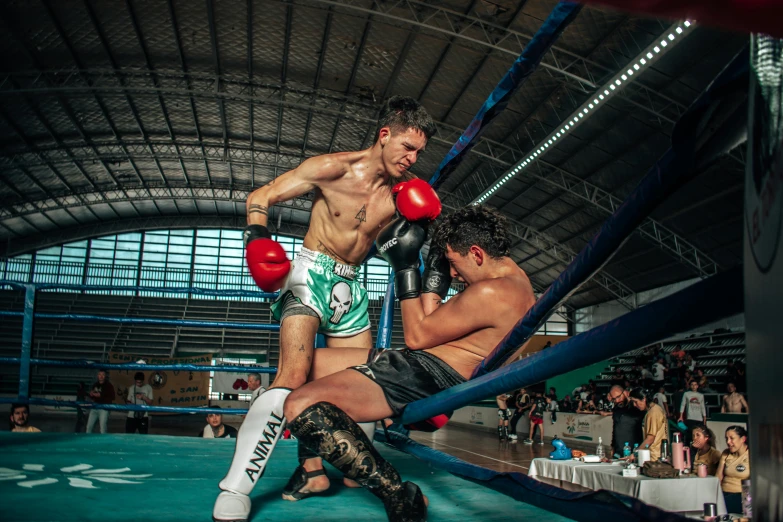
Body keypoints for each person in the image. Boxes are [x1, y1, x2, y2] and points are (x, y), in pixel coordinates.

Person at [212, 96, 440, 521]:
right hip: (309, 277)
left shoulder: (401, 196)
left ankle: (319, 471)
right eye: (407, 147)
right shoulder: (332, 168)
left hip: (353, 287)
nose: (412, 159)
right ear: (384, 135)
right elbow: (260, 196)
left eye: (419, 153)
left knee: (357, 384)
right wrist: (256, 238)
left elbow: (412, 249)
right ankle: (236, 490)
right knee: (293, 376)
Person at [270, 205, 537, 522]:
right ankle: (313, 470)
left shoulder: (492, 291)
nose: (452, 273)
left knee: (298, 405)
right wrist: (435, 283)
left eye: (453, 263)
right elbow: (431, 327)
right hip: (419, 362)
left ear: (477, 254)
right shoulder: (517, 283)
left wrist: (405, 266)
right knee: (305, 363)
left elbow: (417, 335)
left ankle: (398, 494)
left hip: (422, 374)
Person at [716, 426, 750, 514]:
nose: (728, 442)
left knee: (723, 505)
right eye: (726, 438)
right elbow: (718, 477)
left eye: (732, 438)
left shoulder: (751, 455)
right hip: (723, 493)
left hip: (740, 495)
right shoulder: (726, 453)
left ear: (743, 439)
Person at [628, 388, 668, 462]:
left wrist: (635, 454)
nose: (634, 405)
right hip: (656, 453)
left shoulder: (653, 413)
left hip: (654, 456)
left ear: (644, 399)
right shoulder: (655, 409)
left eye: (635, 402)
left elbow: (650, 438)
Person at [606, 385, 644, 458]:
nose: (617, 400)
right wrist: (613, 447)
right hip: (618, 452)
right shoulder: (617, 408)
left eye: (618, 397)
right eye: (614, 399)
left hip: (633, 452)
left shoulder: (636, 408)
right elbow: (615, 429)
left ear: (626, 392)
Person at [679, 379, 707, 445]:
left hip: (699, 418)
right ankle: (690, 450)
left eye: (695, 385)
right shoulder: (686, 394)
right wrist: (681, 416)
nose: (694, 386)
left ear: (697, 386)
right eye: (692, 385)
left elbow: (702, 407)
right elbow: (683, 404)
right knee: (690, 435)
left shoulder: (701, 395)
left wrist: (704, 419)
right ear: (690, 386)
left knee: (699, 435)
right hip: (690, 417)